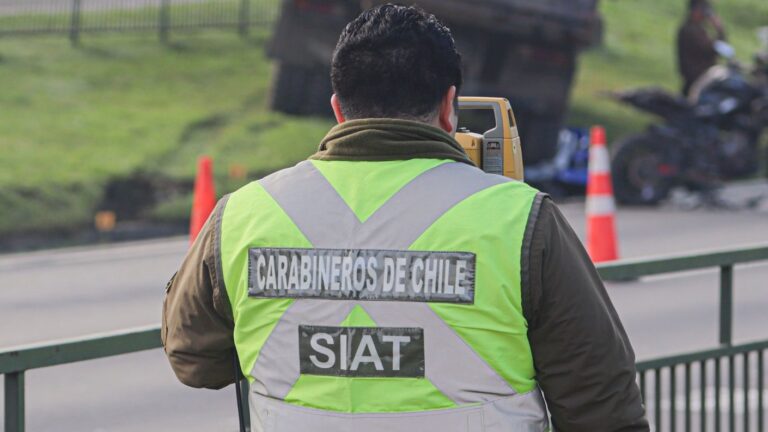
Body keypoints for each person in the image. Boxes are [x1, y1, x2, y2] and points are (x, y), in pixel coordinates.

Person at [162, 5, 649, 431]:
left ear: (338, 110)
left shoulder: (243, 214)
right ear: (449, 107)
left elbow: (194, 359)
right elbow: (600, 404)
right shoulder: (521, 220)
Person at [677, 0, 727, 96]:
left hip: (698, 78)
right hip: (697, 79)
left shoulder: (697, 29)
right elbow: (713, 49)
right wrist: (719, 29)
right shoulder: (690, 30)